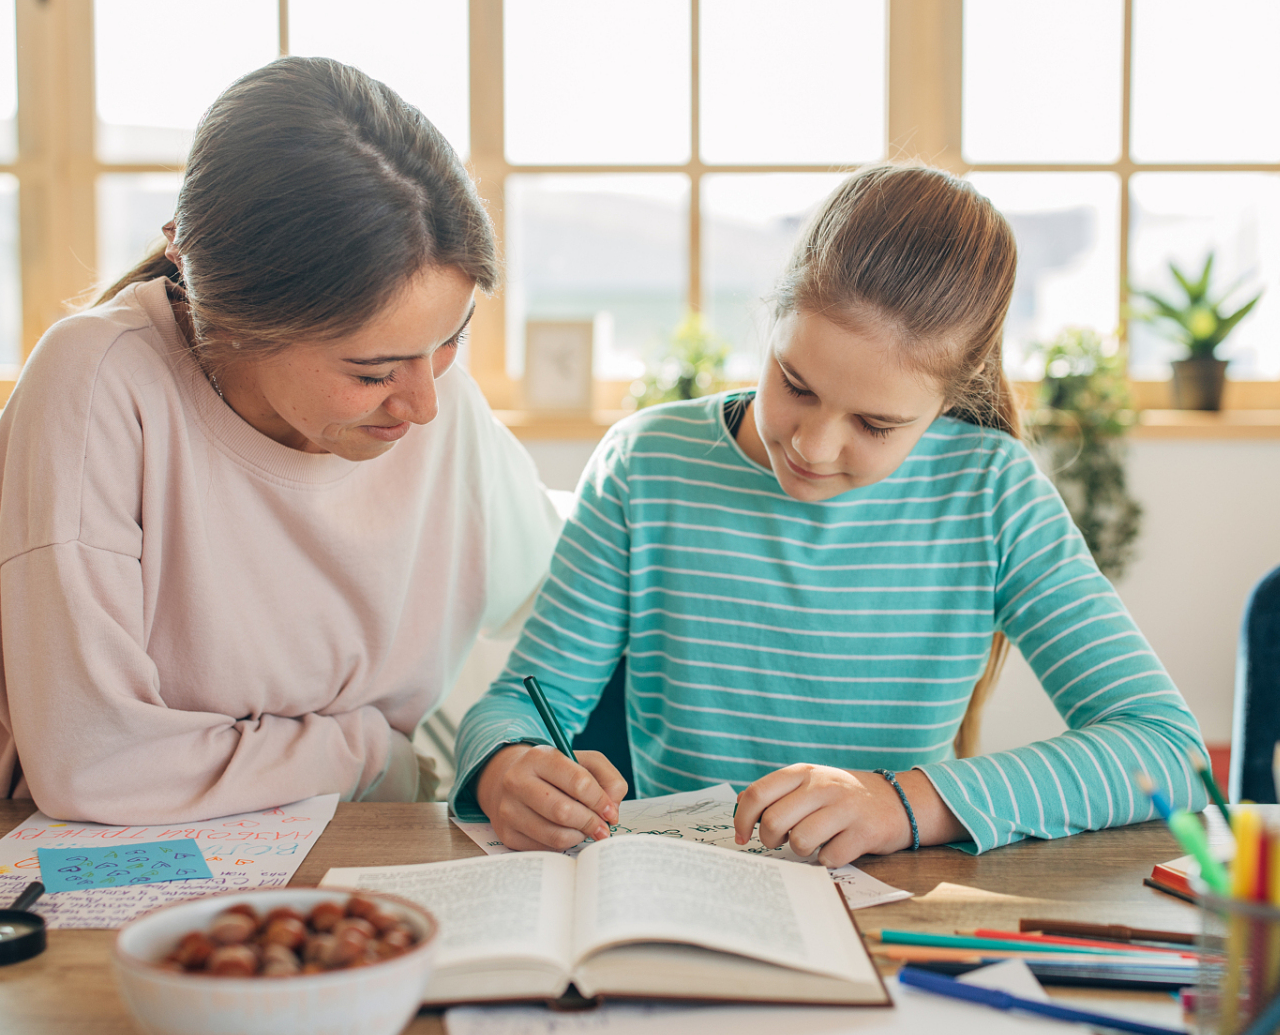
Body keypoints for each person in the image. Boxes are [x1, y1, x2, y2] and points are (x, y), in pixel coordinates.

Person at [453, 163, 1205, 866]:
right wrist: (506, 768)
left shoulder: (991, 494)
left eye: (875, 425)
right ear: (773, 322)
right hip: (671, 896)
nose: (813, 446)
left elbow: (1169, 752)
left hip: (894, 913)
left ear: (951, 398)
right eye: (796, 383)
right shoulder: (647, 464)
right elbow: (521, 701)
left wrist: (901, 804)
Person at [0, 58, 560, 824]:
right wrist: (368, 754)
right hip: (82, 873)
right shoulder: (101, 380)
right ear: (235, 320)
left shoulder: (443, 407)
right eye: (372, 370)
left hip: (344, 851)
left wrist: (511, 752)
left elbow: (574, 604)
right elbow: (98, 766)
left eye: (450, 340)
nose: (423, 404)